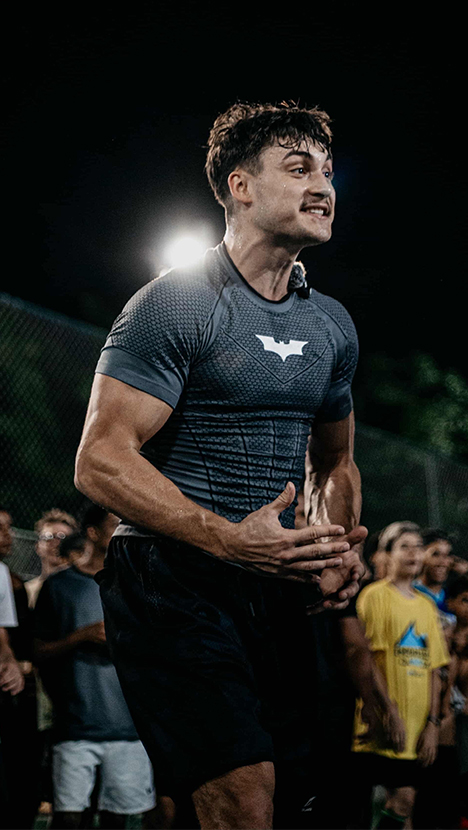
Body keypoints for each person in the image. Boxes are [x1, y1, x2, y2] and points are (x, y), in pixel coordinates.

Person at [75, 101, 367, 829]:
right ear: (240, 186)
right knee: (243, 798)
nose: (323, 186)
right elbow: (100, 460)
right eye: (298, 168)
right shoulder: (173, 305)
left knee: (302, 800)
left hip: (273, 583)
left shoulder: (331, 324)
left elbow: (336, 461)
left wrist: (329, 543)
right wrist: (227, 537)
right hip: (172, 581)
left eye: (328, 172)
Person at [33, 504, 158, 830]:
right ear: (92, 532)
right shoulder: (60, 586)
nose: (124, 530)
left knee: (118, 820)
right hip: (75, 729)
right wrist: (82, 636)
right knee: (68, 818)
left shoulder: (136, 584)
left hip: (129, 730)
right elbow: (37, 651)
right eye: (116, 523)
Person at [350, 523, 450, 829]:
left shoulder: (426, 605)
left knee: (406, 805)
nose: (414, 553)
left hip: (417, 727)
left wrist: (433, 724)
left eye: (418, 547)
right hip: (381, 723)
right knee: (395, 801)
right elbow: (368, 659)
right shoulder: (374, 596)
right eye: (405, 546)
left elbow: (435, 669)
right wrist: (390, 711)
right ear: (387, 554)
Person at [0, 507, 40, 828]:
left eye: (8, 527)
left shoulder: (4, 575)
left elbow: (3, 631)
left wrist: (11, 662)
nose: (7, 536)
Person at [25, 508, 78, 609]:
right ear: (38, 546)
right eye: (49, 537)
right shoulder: (27, 591)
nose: (57, 543)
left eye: (63, 537)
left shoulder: (84, 589)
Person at [413, 528, 454, 620]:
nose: (443, 562)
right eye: (435, 554)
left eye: (447, 555)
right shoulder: (409, 594)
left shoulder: (455, 597)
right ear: (420, 555)